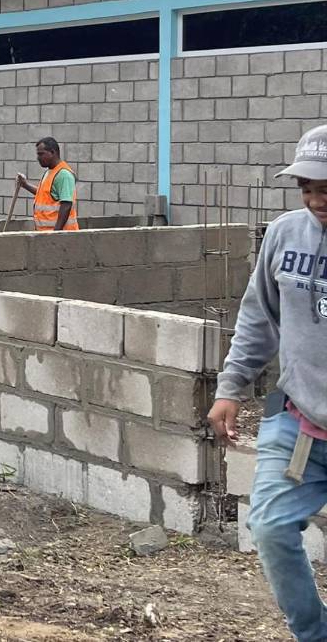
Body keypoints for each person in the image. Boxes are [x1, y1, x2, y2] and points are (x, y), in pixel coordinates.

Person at [208, 124, 327, 642]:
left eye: (326, 186)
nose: (316, 198)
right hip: (301, 420)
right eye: (306, 186)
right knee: (273, 527)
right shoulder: (284, 234)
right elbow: (259, 317)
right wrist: (231, 386)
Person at [15, 137, 79, 232]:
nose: (38, 158)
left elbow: (66, 204)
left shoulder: (64, 174)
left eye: (41, 154)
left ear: (53, 152)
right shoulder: (50, 172)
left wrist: (56, 233)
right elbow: (44, 194)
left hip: (62, 238)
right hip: (46, 235)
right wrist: (25, 185)